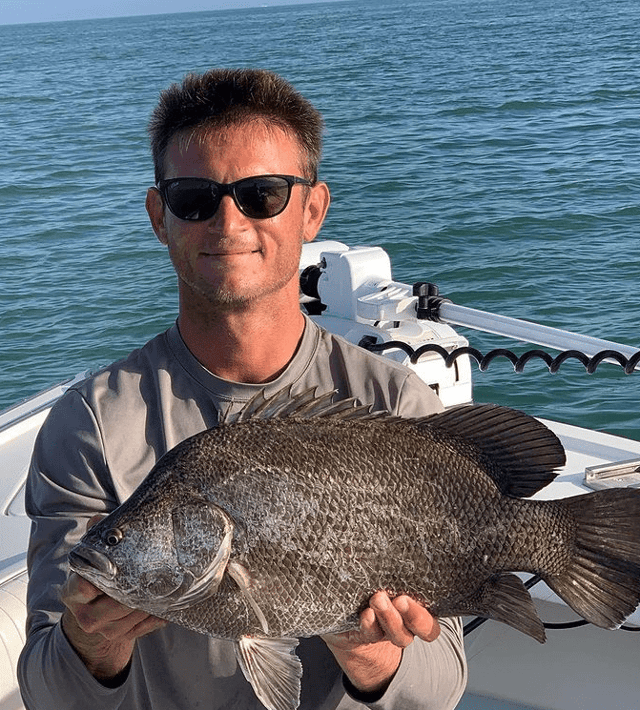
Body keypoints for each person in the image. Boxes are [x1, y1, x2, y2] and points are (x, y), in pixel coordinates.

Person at [18, 68, 467, 710]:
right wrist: (92, 648)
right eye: (194, 197)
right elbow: (46, 693)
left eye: (262, 194)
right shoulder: (91, 423)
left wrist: (374, 658)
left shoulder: (394, 406)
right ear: (159, 215)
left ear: (313, 210)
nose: (228, 221)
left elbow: (443, 690)